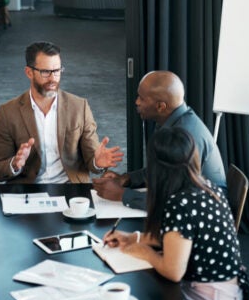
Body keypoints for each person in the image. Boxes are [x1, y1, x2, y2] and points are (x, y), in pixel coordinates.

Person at [103, 127, 249, 300]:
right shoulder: (207, 188)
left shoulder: (179, 204)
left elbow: (173, 271)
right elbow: (179, 240)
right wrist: (133, 239)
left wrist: (144, 251)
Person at [0, 41, 123, 183]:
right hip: (28, 191)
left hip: (71, 189)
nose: (53, 78)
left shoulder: (79, 107)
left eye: (57, 71)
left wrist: (97, 162)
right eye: (45, 72)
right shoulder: (8, 112)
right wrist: (14, 164)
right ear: (29, 72)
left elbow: (92, 157)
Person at [92, 70, 226, 209]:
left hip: (204, 211)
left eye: (142, 98)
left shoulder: (184, 137)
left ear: (161, 106)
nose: (136, 102)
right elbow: (161, 171)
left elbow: (174, 201)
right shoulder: (172, 120)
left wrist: (122, 195)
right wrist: (126, 179)